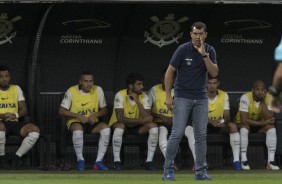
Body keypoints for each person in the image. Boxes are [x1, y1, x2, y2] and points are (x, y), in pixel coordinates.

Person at [162, 22, 218, 181]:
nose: (198, 37)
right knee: (177, 132)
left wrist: (204, 54)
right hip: (182, 96)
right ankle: (167, 169)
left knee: (200, 135)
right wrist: (168, 96)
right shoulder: (182, 49)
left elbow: (213, 73)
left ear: (205, 34)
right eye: (195, 34)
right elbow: (169, 72)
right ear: (190, 34)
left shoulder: (210, 50)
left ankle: (200, 171)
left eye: (201, 34)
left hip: (201, 97)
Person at [185, 75, 241, 171]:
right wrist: (212, 122)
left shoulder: (224, 95)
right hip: (205, 125)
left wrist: (222, 121)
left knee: (233, 126)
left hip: (219, 124)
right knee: (195, 129)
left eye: (214, 83)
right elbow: (197, 116)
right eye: (209, 83)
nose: (212, 86)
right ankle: (200, 162)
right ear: (205, 84)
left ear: (218, 84)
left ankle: (236, 161)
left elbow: (227, 115)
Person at [58, 71, 110, 171]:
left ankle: (98, 161)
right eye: (86, 81)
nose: (89, 84)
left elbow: (105, 110)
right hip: (76, 121)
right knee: (78, 130)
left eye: (91, 81)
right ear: (80, 82)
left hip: (92, 122)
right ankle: (80, 160)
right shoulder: (71, 90)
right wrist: (78, 116)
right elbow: (61, 111)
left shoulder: (98, 89)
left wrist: (96, 114)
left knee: (106, 129)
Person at [109, 72, 158, 171]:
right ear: (131, 86)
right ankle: (117, 162)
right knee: (120, 126)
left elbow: (148, 118)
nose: (142, 87)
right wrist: (141, 121)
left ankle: (149, 161)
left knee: (153, 126)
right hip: (123, 125)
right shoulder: (120, 94)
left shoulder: (144, 96)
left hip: (137, 126)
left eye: (142, 84)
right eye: (139, 84)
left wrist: (137, 101)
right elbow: (120, 118)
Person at [0, 65, 40, 169]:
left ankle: (16, 158)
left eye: (6, 76)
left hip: (13, 122)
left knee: (34, 130)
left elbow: (24, 109)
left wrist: (15, 115)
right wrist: (2, 116)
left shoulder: (16, 88)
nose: (4, 79)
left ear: (10, 77)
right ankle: (2, 159)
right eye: (1, 76)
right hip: (0, 123)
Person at [234, 80, 280, 170]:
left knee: (271, 128)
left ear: (265, 90)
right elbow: (244, 120)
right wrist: (263, 123)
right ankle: (244, 160)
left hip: (259, 126)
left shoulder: (269, 98)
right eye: (257, 89)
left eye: (262, 90)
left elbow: (270, 118)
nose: (260, 92)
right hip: (244, 124)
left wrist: (262, 102)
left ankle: (270, 162)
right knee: (244, 127)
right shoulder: (245, 97)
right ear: (252, 90)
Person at [148, 68, 180, 170]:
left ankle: (199, 163)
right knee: (162, 131)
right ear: (161, 79)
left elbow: (186, 109)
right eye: (165, 77)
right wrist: (162, 116)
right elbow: (147, 111)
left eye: (170, 77)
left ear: (175, 79)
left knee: (190, 131)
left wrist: (174, 118)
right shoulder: (154, 90)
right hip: (160, 123)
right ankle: (170, 162)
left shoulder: (179, 90)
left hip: (177, 123)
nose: (167, 80)